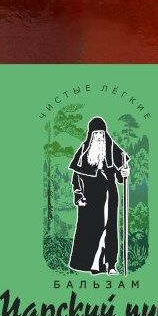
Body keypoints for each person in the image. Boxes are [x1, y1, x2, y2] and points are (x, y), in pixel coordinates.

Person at [68, 116, 130, 274]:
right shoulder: (84, 150)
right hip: (89, 198)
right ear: (90, 135)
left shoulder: (112, 148)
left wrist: (124, 173)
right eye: (95, 134)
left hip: (109, 195)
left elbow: (120, 175)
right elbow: (76, 178)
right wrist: (78, 196)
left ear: (105, 134)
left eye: (101, 134)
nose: (99, 137)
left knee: (109, 228)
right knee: (89, 229)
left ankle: (110, 264)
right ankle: (89, 264)